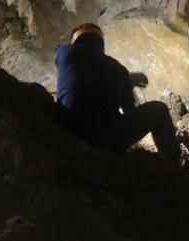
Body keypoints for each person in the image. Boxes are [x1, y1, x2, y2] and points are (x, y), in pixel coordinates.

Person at [55, 23, 179, 163]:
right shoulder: (119, 69)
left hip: (69, 131)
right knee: (159, 109)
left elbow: (83, 72)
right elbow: (129, 110)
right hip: (109, 140)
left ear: (75, 41)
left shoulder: (64, 52)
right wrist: (125, 83)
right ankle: (175, 164)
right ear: (101, 44)